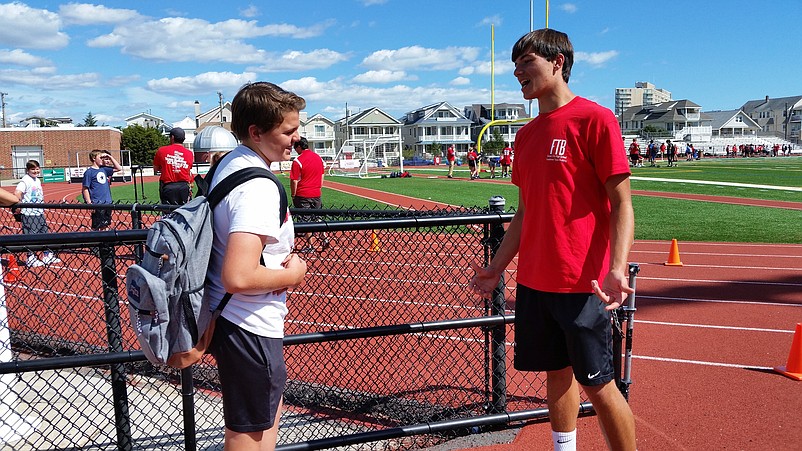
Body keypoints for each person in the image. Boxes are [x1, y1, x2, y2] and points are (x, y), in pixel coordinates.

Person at [470, 29, 635, 451]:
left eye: (526, 61)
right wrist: (497, 267)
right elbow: (526, 212)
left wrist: (617, 267)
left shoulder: (595, 119)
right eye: (515, 64)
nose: (517, 71)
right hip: (535, 283)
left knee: (598, 384)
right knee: (556, 374)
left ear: (558, 61)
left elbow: (622, 203)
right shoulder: (525, 135)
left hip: (584, 284)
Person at [206, 81, 308, 451]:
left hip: (235, 321)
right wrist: (294, 274)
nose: (297, 137)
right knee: (249, 434)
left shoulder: (231, 163)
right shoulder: (259, 186)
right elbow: (239, 275)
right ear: (256, 132)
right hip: (250, 323)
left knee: (260, 421)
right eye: (288, 130)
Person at [15, 160, 60, 266]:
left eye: (37, 168)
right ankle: (31, 257)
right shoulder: (25, 180)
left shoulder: (37, 180)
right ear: (28, 170)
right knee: (31, 235)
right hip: (29, 213)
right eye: (33, 169)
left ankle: (46, 255)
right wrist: (18, 206)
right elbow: (17, 192)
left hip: (39, 211)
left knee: (44, 233)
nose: (35, 171)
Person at [290, 136, 328, 252]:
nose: (295, 150)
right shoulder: (318, 158)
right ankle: (324, 238)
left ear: (299, 147)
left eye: (295, 147)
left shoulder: (298, 161)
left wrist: (293, 194)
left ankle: (311, 245)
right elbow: (322, 175)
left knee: (305, 220)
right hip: (316, 193)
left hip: (303, 194)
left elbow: (294, 180)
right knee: (317, 218)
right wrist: (318, 187)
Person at [154, 127, 194, 205]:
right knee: (184, 211)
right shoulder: (189, 153)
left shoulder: (161, 150)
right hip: (184, 187)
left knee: (168, 213)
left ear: (172, 137)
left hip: (168, 186)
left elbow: (156, 168)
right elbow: (188, 169)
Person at [82, 150, 121, 230]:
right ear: (93, 158)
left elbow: (119, 168)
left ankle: (105, 242)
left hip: (107, 202)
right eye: (100, 158)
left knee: (106, 225)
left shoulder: (104, 169)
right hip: (97, 203)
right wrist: (89, 203)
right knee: (97, 226)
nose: (103, 159)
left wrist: (110, 157)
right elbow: (85, 188)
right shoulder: (89, 172)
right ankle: (95, 241)